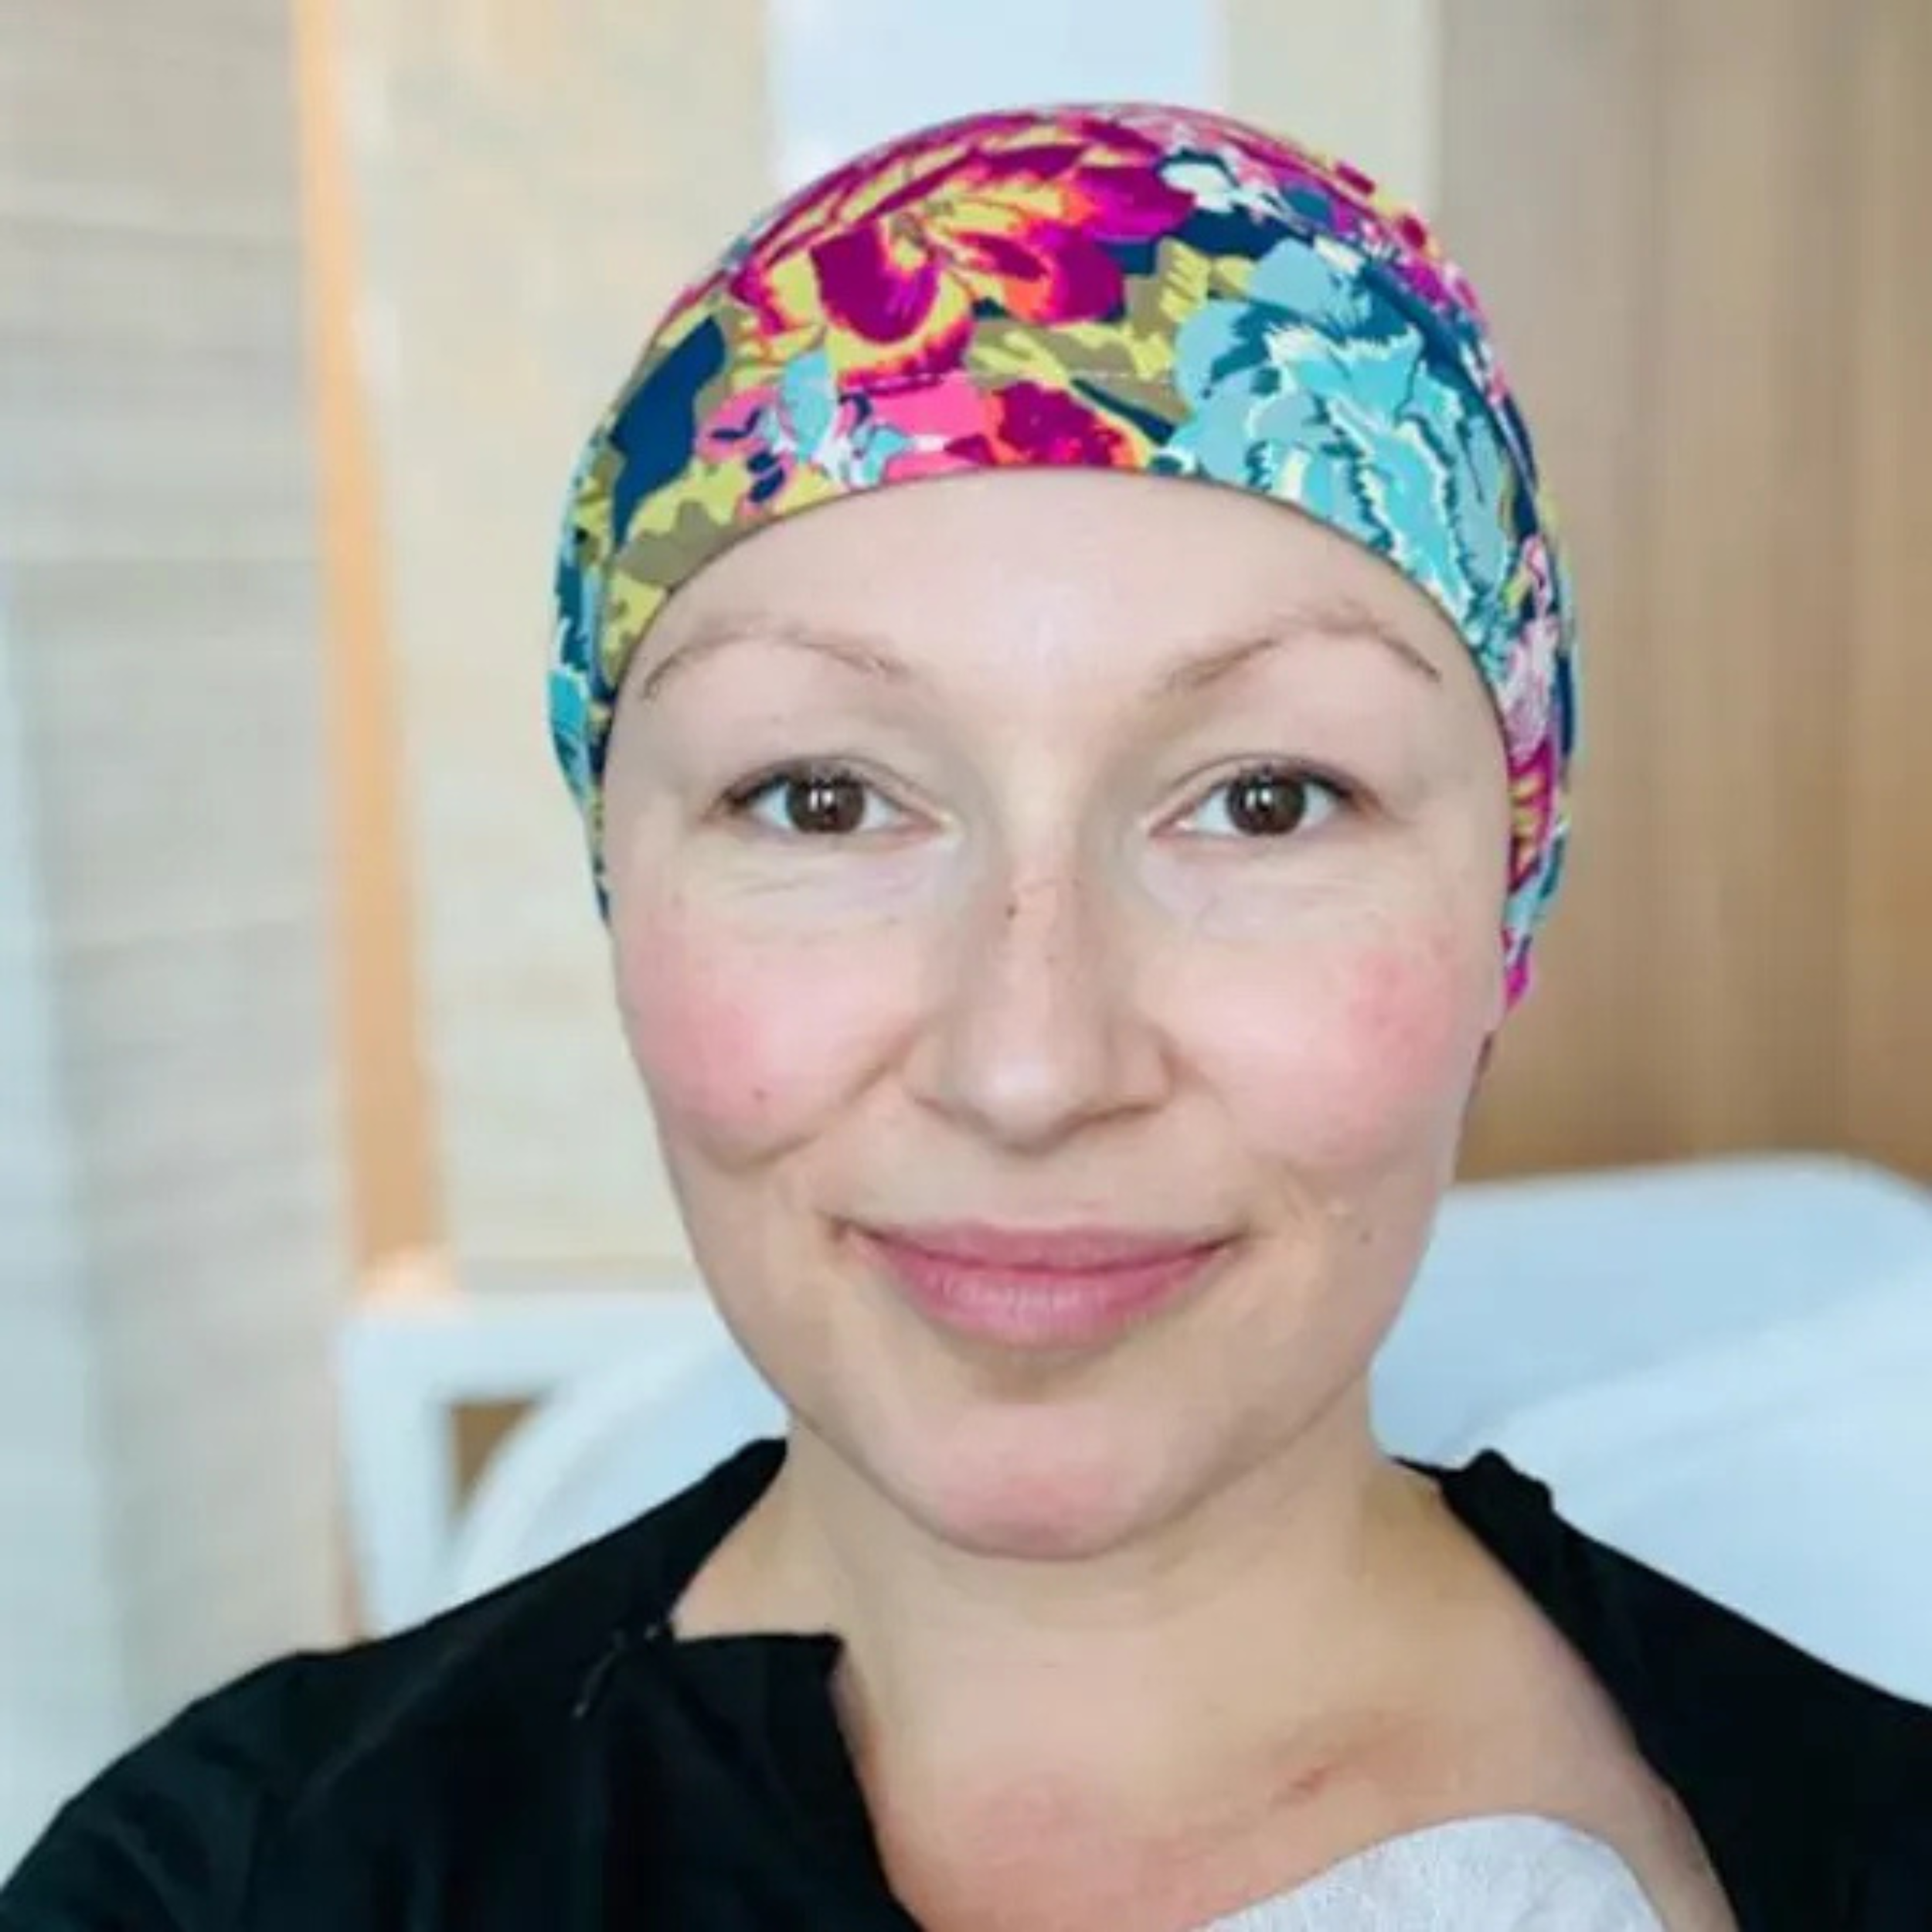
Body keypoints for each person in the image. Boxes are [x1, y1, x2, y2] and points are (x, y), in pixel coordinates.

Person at [5, 100, 1928, 1932]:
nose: (1028, 1066)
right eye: (820, 797)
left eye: (1262, 797)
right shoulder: (232, 1874)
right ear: (622, 890)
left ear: (1504, 900)